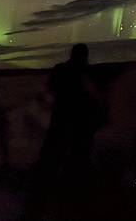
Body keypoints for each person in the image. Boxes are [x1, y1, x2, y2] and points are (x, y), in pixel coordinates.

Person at [24, 44, 107, 219]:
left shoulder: (62, 70)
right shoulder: (83, 72)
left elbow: (51, 88)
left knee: (53, 154)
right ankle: (70, 189)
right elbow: (93, 95)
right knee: (75, 154)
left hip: (63, 118)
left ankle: (44, 189)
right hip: (77, 120)